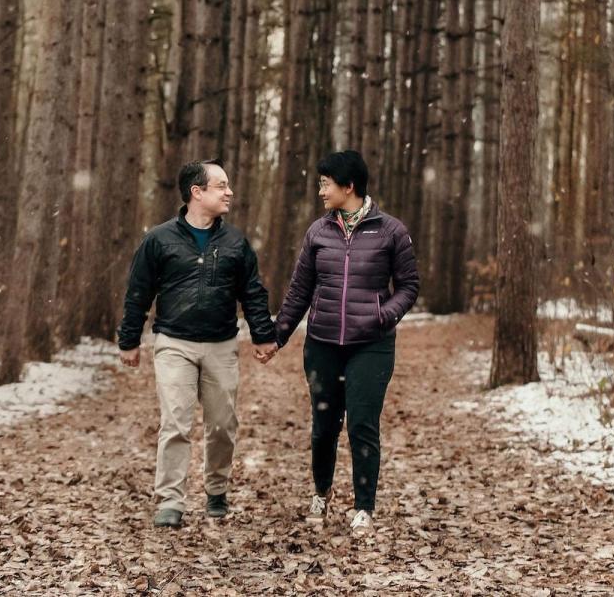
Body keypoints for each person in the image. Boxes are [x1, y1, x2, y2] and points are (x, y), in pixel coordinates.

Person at [261, 150, 419, 535]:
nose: (320, 191)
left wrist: (384, 315)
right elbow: (300, 290)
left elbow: (409, 287)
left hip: (372, 345)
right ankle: (322, 491)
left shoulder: (391, 231)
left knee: (362, 424)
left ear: (349, 187)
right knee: (324, 425)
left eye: (325, 184)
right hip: (323, 343)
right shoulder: (318, 232)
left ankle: (364, 506)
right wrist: (276, 335)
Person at [117, 159, 277, 528]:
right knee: (175, 421)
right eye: (221, 185)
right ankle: (169, 500)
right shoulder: (158, 239)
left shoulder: (235, 242)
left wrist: (263, 334)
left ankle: (216, 489)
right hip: (174, 342)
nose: (229, 192)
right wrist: (129, 339)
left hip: (221, 345)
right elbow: (138, 292)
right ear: (197, 192)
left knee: (222, 425)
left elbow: (252, 292)